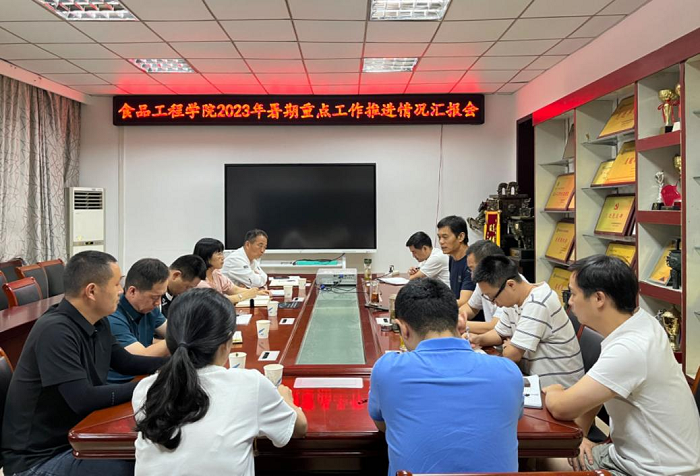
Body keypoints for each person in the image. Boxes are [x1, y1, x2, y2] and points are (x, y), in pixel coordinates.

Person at [1, 251, 166, 476]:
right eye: (116, 284)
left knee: (149, 449)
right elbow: (82, 398)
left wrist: (173, 365)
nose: (121, 290)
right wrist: (152, 385)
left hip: (71, 439)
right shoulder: (55, 331)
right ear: (91, 291)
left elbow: (126, 362)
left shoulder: (98, 322)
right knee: (135, 464)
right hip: (37, 460)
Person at [543, 255, 700, 476]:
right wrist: (579, 436)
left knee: (544, 455)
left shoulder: (630, 348)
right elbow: (600, 390)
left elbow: (561, 407)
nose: (570, 301)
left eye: (574, 293)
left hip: (655, 470)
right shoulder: (641, 322)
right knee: (551, 452)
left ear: (598, 298)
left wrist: (553, 390)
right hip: (630, 456)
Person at [132, 288, 307, 476]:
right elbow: (299, 428)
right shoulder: (249, 384)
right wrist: (285, 399)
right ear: (226, 343)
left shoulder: (147, 388)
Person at [368, 278, 523, 476]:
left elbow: (383, 425)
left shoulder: (387, 370)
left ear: (403, 328)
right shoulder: (509, 372)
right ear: (462, 320)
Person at [468, 255, 584, 388]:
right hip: (533, 380)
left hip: (559, 389)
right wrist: (478, 339)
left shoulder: (538, 301)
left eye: (493, 297)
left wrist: (510, 347)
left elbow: (512, 355)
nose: (494, 303)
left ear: (510, 285)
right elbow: (500, 333)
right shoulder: (512, 301)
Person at [107, 258, 171, 383]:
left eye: (161, 296)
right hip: (121, 382)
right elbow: (140, 357)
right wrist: (177, 338)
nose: (158, 303)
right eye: (155, 297)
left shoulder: (149, 309)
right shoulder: (113, 316)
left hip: (144, 375)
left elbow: (171, 329)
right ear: (132, 291)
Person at [458, 239, 512, 335]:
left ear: (488, 265)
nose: (472, 276)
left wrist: (456, 324)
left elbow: (496, 326)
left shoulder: (508, 286)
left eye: (473, 269)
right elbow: (471, 307)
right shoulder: (483, 282)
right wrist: (455, 317)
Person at [193, 238, 268, 303]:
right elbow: (217, 301)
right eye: (218, 254)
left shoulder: (216, 274)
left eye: (222, 253)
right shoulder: (199, 281)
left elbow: (233, 289)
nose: (223, 257)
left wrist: (256, 292)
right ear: (206, 257)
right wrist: (245, 295)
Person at [436, 215, 474, 306]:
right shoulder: (452, 258)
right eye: (439, 237)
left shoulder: (472, 263)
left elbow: (464, 302)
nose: (441, 242)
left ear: (461, 237)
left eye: (445, 237)